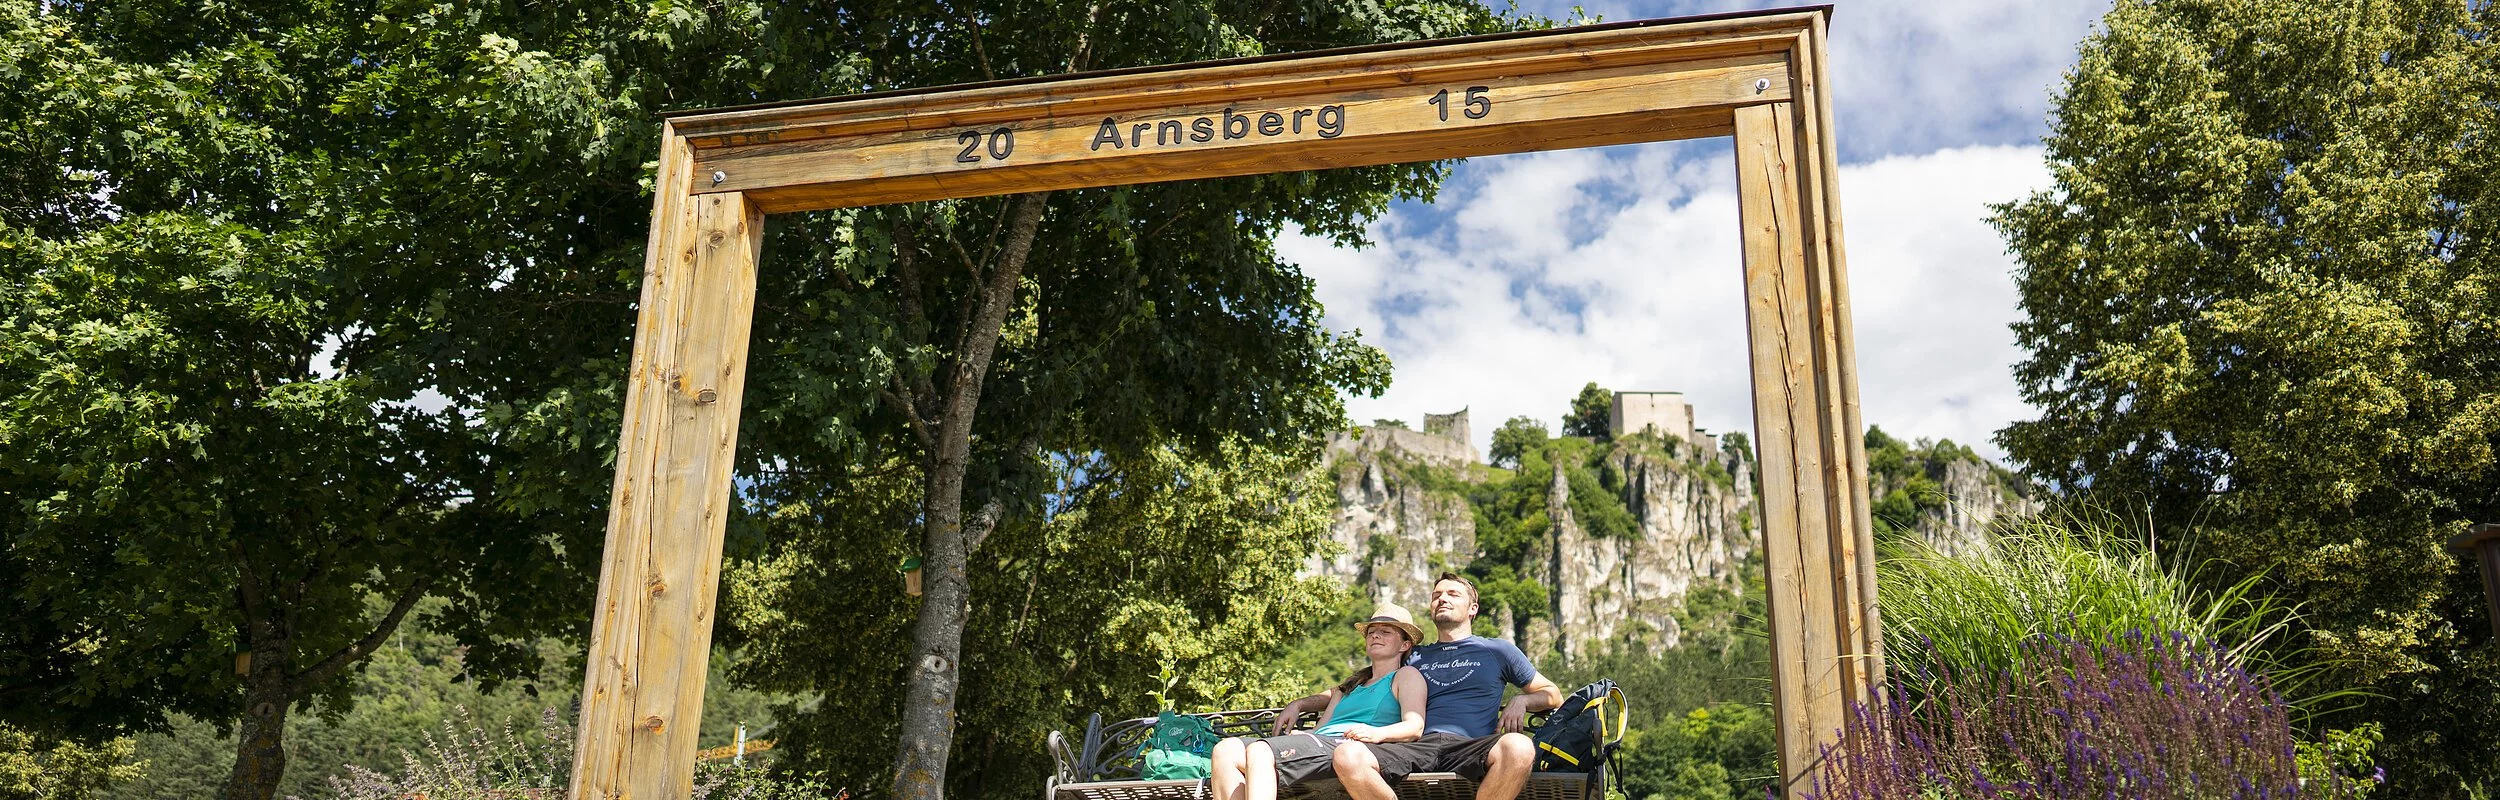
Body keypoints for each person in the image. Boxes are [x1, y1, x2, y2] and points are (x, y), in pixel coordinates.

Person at [1269, 573, 1562, 800]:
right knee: (1348, 755)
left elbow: (1552, 694)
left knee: (1520, 746)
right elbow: (1356, 686)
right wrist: (1301, 704)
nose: (1442, 599)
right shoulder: (1413, 655)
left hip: (1470, 745)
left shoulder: (1497, 651)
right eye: (1436, 595)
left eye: (1452, 594)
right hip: (1413, 745)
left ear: (1473, 608)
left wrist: (1521, 702)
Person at [1209, 603, 1428, 800]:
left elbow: (1414, 726)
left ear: (1404, 645)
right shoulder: (1351, 685)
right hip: (1322, 746)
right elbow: (1321, 731)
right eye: (1371, 632)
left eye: (1385, 632)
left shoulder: (1405, 675)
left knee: (1260, 751)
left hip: (1351, 749)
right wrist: (1303, 728)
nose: (1375, 636)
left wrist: (1376, 733)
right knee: (1226, 750)